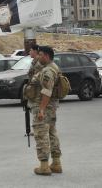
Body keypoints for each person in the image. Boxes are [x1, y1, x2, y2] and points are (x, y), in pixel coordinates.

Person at [26, 46, 62, 176]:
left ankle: (44, 166)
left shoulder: (48, 71)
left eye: (40, 54)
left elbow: (47, 91)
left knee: (41, 134)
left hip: (43, 107)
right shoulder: (53, 67)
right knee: (52, 133)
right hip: (50, 107)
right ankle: (56, 163)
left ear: (46, 56)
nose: (38, 57)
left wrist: (41, 109)